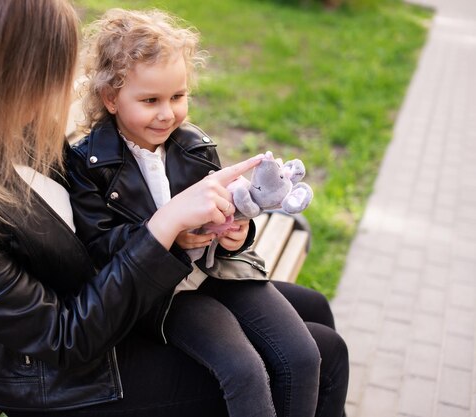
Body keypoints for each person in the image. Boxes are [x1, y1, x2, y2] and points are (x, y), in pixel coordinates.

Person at [0, 1, 267, 416]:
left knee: (313, 333)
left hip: (111, 314)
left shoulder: (14, 135)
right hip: (71, 380)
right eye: (54, 69)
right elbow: (64, 339)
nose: (65, 85)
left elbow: (93, 229)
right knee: (296, 360)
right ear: (6, 78)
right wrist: (165, 224)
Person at [67, 8, 348, 417]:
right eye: (150, 101)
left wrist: (239, 232)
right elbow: (100, 247)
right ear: (111, 98)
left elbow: (232, 208)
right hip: (167, 296)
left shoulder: (192, 145)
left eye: (177, 97)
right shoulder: (89, 165)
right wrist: (167, 237)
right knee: (244, 369)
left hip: (222, 271)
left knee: (303, 355)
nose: (167, 113)